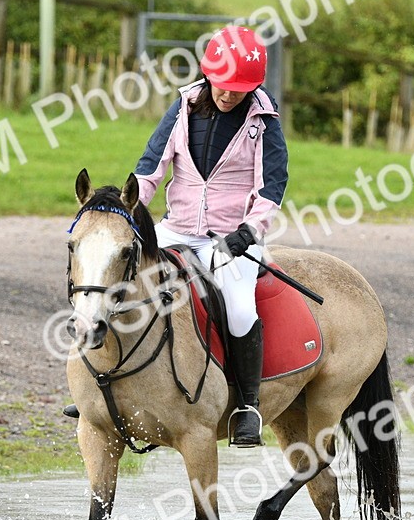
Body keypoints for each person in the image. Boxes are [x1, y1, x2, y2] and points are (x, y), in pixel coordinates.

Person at [66, 25, 289, 448]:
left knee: (240, 310)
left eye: (238, 90)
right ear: (210, 76)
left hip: (231, 239)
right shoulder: (185, 106)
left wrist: (249, 233)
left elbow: (272, 185)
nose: (228, 96)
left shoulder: (264, 120)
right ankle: (98, 388)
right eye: (223, 87)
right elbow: (151, 167)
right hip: (175, 228)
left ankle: (247, 406)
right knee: (122, 283)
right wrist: (127, 212)